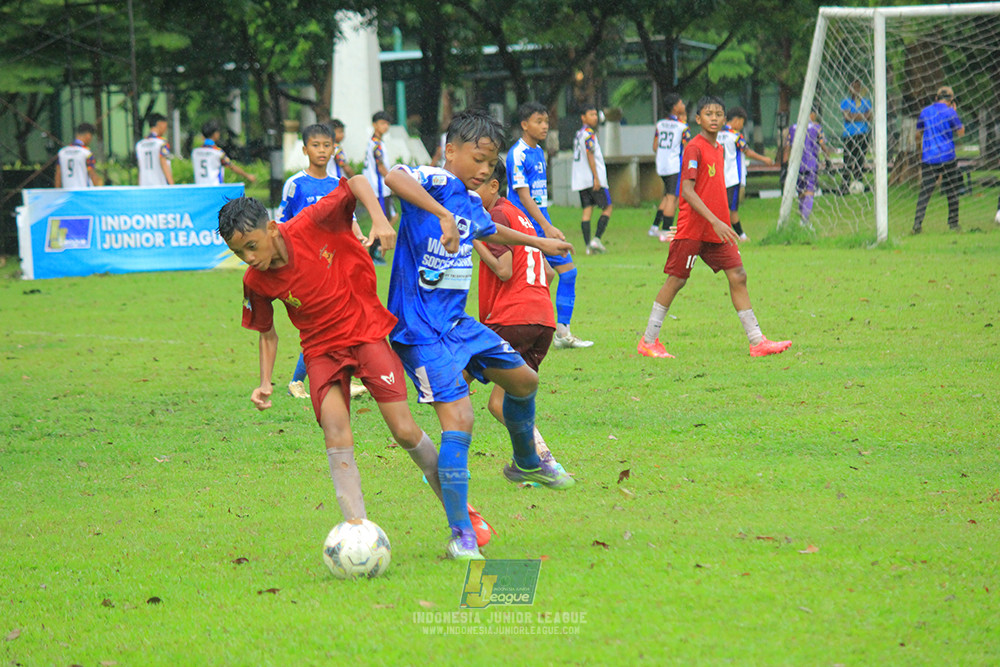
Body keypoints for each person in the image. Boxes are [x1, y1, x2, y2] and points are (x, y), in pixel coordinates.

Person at [216, 177, 493, 548]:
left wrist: (378, 219)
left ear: (271, 228)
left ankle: (461, 514)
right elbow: (267, 333)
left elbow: (358, 182)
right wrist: (265, 381)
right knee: (335, 432)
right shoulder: (256, 281)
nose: (249, 258)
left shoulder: (312, 221)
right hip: (320, 351)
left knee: (405, 431)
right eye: (239, 254)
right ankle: (357, 533)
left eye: (251, 246)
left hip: (365, 333)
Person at [383, 109, 576, 560]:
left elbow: (491, 230)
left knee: (525, 380)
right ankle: (461, 537)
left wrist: (540, 243)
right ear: (451, 151)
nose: (486, 169)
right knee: (461, 421)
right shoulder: (433, 181)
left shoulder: (472, 202)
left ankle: (527, 459)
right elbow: (393, 177)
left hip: (459, 324)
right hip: (420, 330)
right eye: (480, 158)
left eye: (492, 162)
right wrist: (441, 216)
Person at [636, 96, 792, 360]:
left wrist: (722, 221)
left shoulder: (719, 147)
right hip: (694, 228)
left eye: (719, 114)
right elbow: (687, 189)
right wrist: (715, 220)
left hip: (717, 229)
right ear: (698, 119)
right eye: (709, 114)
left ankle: (757, 342)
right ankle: (649, 340)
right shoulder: (694, 148)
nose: (715, 118)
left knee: (738, 275)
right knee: (677, 280)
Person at [471, 159, 566, 473]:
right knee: (500, 403)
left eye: (475, 186)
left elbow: (503, 268)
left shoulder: (495, 215)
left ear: (493, 186)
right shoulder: (519, 216)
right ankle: (541, 459)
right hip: (541, 323)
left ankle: (446, 464)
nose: (469, 194)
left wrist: (474, 240)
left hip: (511, 320)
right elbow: (549, 272)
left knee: (452, 382)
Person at [278, 123, 360, 400]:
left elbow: (351, 221)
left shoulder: (337, 185)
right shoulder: (296, 185)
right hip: (307, 267)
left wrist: (361, 238)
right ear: (304, 149)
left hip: (335, 265)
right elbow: (282, 224)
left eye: (327, 145)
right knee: (324, 323)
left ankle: (332, 377)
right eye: (316, 145)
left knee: (339, 320)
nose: (322, 150)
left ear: (334, 148)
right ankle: (298, 380)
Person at [507, 101, 593, 349]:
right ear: (524, 125)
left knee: (568, 273)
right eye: (539, 121)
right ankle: (525, 329)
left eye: (546, 121)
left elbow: (538, 197)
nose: (545, 126)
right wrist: (546, 227)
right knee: (546, 274)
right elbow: (523, 197)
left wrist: (548, 223)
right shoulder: (518, 154)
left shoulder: (539, 152)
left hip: (543, 224)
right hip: (526, 229)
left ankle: (562, 334)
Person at [913, 86, 965, 234]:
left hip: (929, 158)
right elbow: (961, 133)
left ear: (936, 98)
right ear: (951, 100)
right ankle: (953, 224)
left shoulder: (925, 112)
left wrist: (919, 151)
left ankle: (917, 223)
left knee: (925, 192)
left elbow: (918, 135)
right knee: (952, 191)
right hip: (948, 157)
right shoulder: (950, 112)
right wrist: (955, 113)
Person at [718, 107, 773, 241]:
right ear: (736, 120)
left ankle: (733, 235)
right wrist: (764, 159)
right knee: (732, 209)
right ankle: (738, 236)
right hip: (732, 177)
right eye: (742, 122)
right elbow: (747, 151)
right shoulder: (736, 136)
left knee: (722, 207)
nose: (741, 126)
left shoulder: (717, 134)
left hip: (718, 177)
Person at [571, 103, 613, 255]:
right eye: (591, 115)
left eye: (595, 114)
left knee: (587, 210)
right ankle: (596, 239)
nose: (594, 117)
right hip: (592, 178)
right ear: (583, 117)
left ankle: (588, 246)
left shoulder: (579, 134)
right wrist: (596, 177)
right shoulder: (589, 134)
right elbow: (590, 154)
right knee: (608, 207)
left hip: (580, 179)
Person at [651, 94, 691, 241]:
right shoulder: (682, 127)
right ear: (675, 107)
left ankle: (655, 226)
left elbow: (655, 146)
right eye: (681, 103)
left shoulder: (660, 124)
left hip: (661, 164)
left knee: (668, 195)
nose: (683, 105)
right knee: (672, 198)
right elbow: (688, 149)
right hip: (674, 165)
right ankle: (666, 231)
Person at [784, 109, 832, 227]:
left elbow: (787, 146)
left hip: (796, 165)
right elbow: (823, 145)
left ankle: (803, 218)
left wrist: (785, 164)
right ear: (812, 114)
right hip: (811, 164)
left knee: (801, 192)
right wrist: (828, 158)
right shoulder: (817, 128)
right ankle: (805, 220)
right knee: (810, 191)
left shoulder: (793, 128)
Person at [363, 111, 397, 265]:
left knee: (389, 217)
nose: (385, 126)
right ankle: (374, 250)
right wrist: (393, 181)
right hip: (379, 187)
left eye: (387, 124)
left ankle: (376, 248)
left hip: (381, 187)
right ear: (374, 124)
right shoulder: (376, 144)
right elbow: (380, 166)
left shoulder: (377, 143)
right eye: (382, 123)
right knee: (383, 220)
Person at [191, 120, 257, 186]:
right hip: (215, 188)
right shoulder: (217, 152)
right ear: (215, 134)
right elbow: (231, 166)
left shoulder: (195, 152)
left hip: (200, 187)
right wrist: (247, 176)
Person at [840, 79, 872, 193]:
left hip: (862, 134)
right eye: (853, 87)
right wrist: (861, 116)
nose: (856, 90)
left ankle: (858, 184)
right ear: (850, 89)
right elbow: (847, 117)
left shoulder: (866, 102)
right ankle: (845, 185)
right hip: (849, 135)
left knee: (860, 160)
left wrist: (854, 116)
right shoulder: (845, 102)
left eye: (858, 87)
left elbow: (869, 116)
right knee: (848, 161)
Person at [55, 122, 102, 189]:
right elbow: (92, 174)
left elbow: (58, 175)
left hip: (67, 192)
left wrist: (57, 191)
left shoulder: (62, 152)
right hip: (83, 192)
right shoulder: (86, 153)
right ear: (88, 135)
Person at [136, 113, 173, 186]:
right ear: (160, 124)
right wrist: (172, 184)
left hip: (144, 185)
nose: (165, 129)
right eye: (165, 126)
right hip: (159, 185)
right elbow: (164, 163)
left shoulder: (140, 144)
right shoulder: (162, 143)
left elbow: (140, 167)